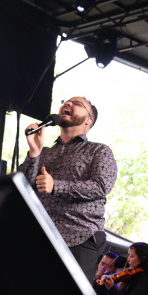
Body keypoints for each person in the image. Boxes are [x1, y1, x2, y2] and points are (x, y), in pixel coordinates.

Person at [19, 96, 118, 282]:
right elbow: (22, 187)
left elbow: (101, 186)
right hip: (40, 238)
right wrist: (34, 152)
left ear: (89, 120)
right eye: (66, 102)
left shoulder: (98, 151)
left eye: (77, 104)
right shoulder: (44, 152)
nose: (68, 104)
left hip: (79, 238)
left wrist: (56, 186)